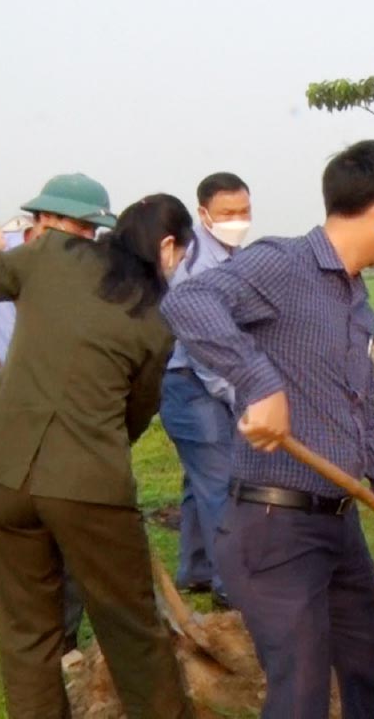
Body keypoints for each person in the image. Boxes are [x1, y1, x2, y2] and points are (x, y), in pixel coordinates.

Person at [161, 140, 374, 719]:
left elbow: (364, 410)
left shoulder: (355, 298)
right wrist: (259, 381)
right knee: (302, 690)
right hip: (274, 524)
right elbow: (190, 301)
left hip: (339, 521)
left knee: (367, 652)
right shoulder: (282, 263)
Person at [0, 189, 195, 718]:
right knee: (131, 627)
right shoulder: (156, 318)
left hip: (4, 476)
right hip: (87, 482)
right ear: (167, 248)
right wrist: (92, 446)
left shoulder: (48, 255)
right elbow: (137, 411)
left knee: (28, 630)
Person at [0, 174, 119, 703]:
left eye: (90, 230)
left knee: (60, 545)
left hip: (52, 434)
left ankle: (61, 643)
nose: (80, 237)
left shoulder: (92, 274)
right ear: (43, 221)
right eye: (73, 226)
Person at [160, 172, 253, 607]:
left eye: (243, 211)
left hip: (205, 383)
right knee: (224, 484)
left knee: (200, 481)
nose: (237, 220)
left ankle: (196, 569)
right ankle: (230, 586)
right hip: (193, 385)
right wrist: (239, 396)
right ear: (203, 214)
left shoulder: (233, 254)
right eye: (226, 213)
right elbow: (201, 347)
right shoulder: (195, 265)